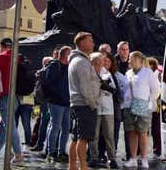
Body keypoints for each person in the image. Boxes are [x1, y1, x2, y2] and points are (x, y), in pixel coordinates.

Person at [68, 32, 101, 170]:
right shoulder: (81, 62)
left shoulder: (78, 60)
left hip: (78, 104)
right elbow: (86, 87)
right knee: (84, 138)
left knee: (76, 137)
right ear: (82, 43)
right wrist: (92, 103)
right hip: (85, 104)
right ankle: (83, 167)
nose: (93, 43)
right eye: (90, 40)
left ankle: (72, 167)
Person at [123, 51, 160, 169]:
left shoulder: (148, 73)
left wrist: (149, 102)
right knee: (132, 132)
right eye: (129, 59)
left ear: (139, 60)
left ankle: (144, 159)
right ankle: (133, 158)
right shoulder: (128, 73)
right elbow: (125, 90)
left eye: (131, 59)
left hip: (143, 106)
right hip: (129, 106)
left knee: (143, 133)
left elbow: (156, 90)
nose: (129, 61)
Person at [88, 52, 118, 169]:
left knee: (109, 135)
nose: (100, 64)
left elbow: (114, 90)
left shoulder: (107, 73)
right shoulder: (89, 73)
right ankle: (93, 157)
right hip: (94, 107)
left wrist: (106, 87)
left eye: (101, 62)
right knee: (94, 135)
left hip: (107, 108)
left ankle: (112, 158)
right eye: (97, 62)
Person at [44, 46, 72, 163]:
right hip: (56, 102)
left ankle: (61, 152)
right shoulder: (54, 66)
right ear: (65, 56)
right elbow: (48, 83)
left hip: (67, 103)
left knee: (66, 128)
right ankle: (51, 152)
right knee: (55, 126)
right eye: (70, 54)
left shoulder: (70, 67)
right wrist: (59, 95)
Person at [30, 56, 53, 152]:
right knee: (44, 123)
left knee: (44, 123)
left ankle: (41, 144)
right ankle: (41, 144)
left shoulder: (42, 72)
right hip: (46, 100)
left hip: (47, 100)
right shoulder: (43, 72)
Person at [147, 58, 163, 159]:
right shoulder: (147, 74)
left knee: (156, 130)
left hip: (157, 106)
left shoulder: (159, 73)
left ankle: (158, 150)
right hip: (148, 106)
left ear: (152, 65)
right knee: (147, 130)